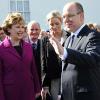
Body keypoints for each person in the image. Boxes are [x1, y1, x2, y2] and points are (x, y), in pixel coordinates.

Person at [50, 2, 100, 100]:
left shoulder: (92, 36)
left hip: (84, 96)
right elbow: (65, 70)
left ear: (81, 15)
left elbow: (92, 58)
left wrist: (65, 53)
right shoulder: (69, 39)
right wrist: (61, 93)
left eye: (70, 16)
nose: (66, 20)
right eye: (64, 17)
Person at [0, 12, 41, 100]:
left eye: (23, 27)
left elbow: (33, 69)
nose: (21, 30)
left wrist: (37, 89)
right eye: (18, 27)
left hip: (28, 91)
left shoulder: (28, 46)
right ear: (8, 29)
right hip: (10, 93)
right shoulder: (1, 49)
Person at [41, 10, 69, 100]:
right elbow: (43, 62)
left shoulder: (69, 36)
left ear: (61, 22)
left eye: (57, 23)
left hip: (69, 77)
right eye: (51, 24)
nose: (54, 26)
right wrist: (45, 85)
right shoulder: (44, 40)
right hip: (54, 80)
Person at [27, 20, 42, 88]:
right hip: (28, 82)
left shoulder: (45, 44)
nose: (34, 32)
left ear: (40, 31)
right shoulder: (22, 45)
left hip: (42, 81)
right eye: (32, 29)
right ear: (27, 31)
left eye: (36, 29)